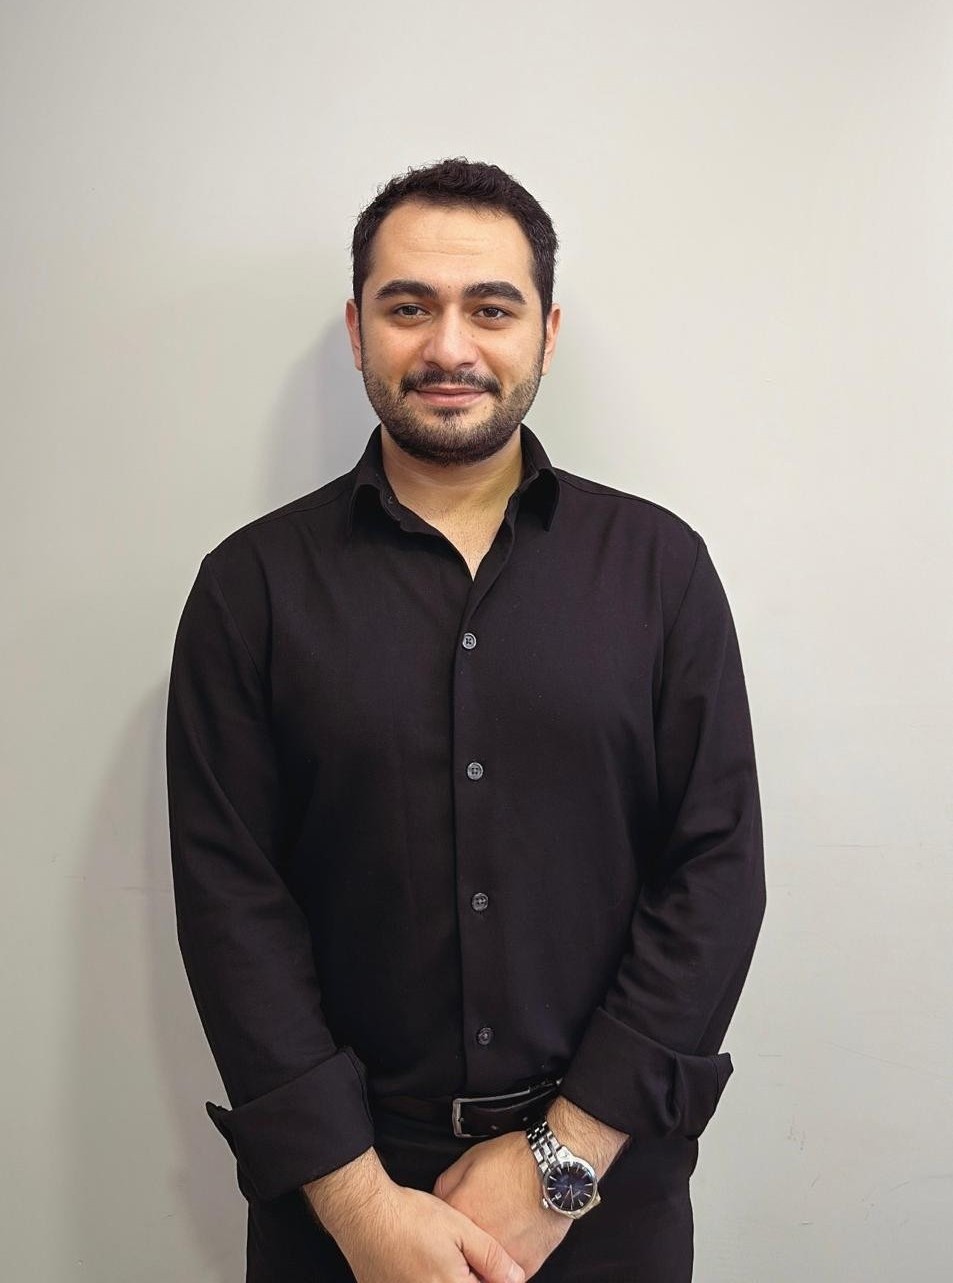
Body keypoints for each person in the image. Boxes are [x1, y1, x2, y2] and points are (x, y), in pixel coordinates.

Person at [166, 158, 766, 1283]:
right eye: (409, 306)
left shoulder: (661, 570)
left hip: (603, 1193)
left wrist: (560, 1161)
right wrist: (359, 1209)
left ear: (545, 332)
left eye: (490, 308)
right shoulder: (249, 591)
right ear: (357, 329)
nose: (449, 347)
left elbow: (715, 872)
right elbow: (230, 903)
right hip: (342, 1202)